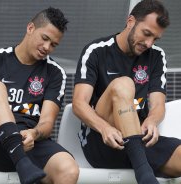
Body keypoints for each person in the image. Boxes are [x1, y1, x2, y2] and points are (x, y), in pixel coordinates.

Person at [0, 7, 79, 184]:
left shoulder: (55, 73)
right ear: (30, 28)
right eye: (45, 38)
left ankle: (24, 162)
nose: (47, 47)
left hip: (30, 143)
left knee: (69, 170)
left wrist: (34, 133)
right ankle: (22, 163)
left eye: (54, 44)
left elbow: (47, 122)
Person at [72, 0, 181, 184]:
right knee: (123, 84)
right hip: (103, 140)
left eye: (155, 39)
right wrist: (104, 127)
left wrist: (152, 121)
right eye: (146, 34)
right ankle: (144, 175)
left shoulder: (156, 56)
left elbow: (158, 104)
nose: (149, 43)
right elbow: (79, 104)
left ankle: (142, 168)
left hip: (139, 138)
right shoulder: (96, 51)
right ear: (130, 21)